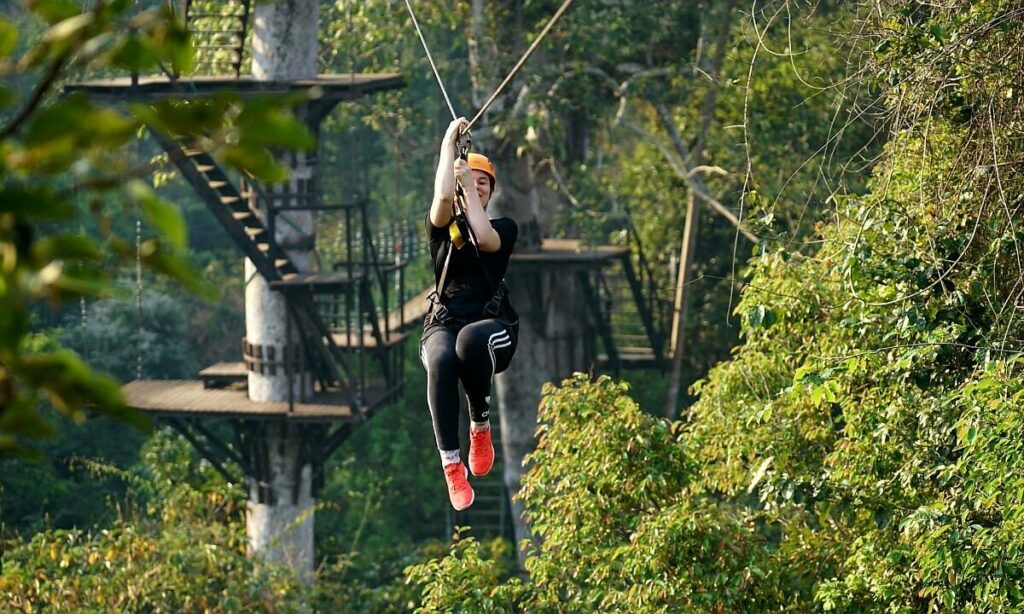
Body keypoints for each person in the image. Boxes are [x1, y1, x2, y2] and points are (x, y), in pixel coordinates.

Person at [420, 117, 519, 511]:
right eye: (471, 179)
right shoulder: (441, 227)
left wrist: (468, 188)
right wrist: (448, 144)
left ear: (491, 192)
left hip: (493, 326)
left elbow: (484, 237)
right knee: (443, 357)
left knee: (469, 341)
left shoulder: (504, 227)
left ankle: (480, 422)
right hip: (442, 321)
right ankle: (451, 464)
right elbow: (443, 200)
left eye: (484, 183)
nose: (475, 186)